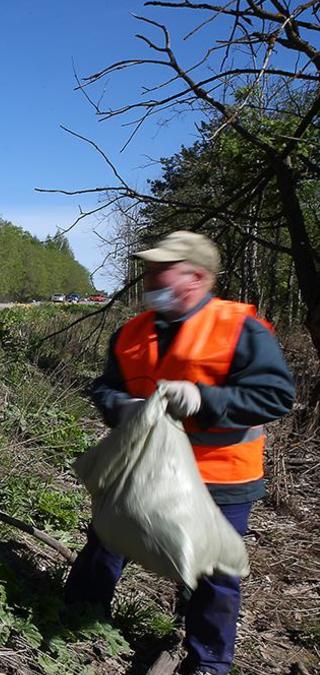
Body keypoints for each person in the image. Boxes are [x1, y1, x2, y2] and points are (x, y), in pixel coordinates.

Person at [64, 231, 295, 674]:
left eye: (160, 269)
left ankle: (208, 661)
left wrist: (204, 400)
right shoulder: (132, 331)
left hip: (221, 476)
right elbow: (104, 387)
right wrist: (121, 407)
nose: (149, 277)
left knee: (214, 572)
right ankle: (80, 615)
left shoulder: (239, 326)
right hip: (143, 466)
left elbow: (276, 395)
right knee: (108, 538)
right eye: (149, 269)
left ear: (197, 277)